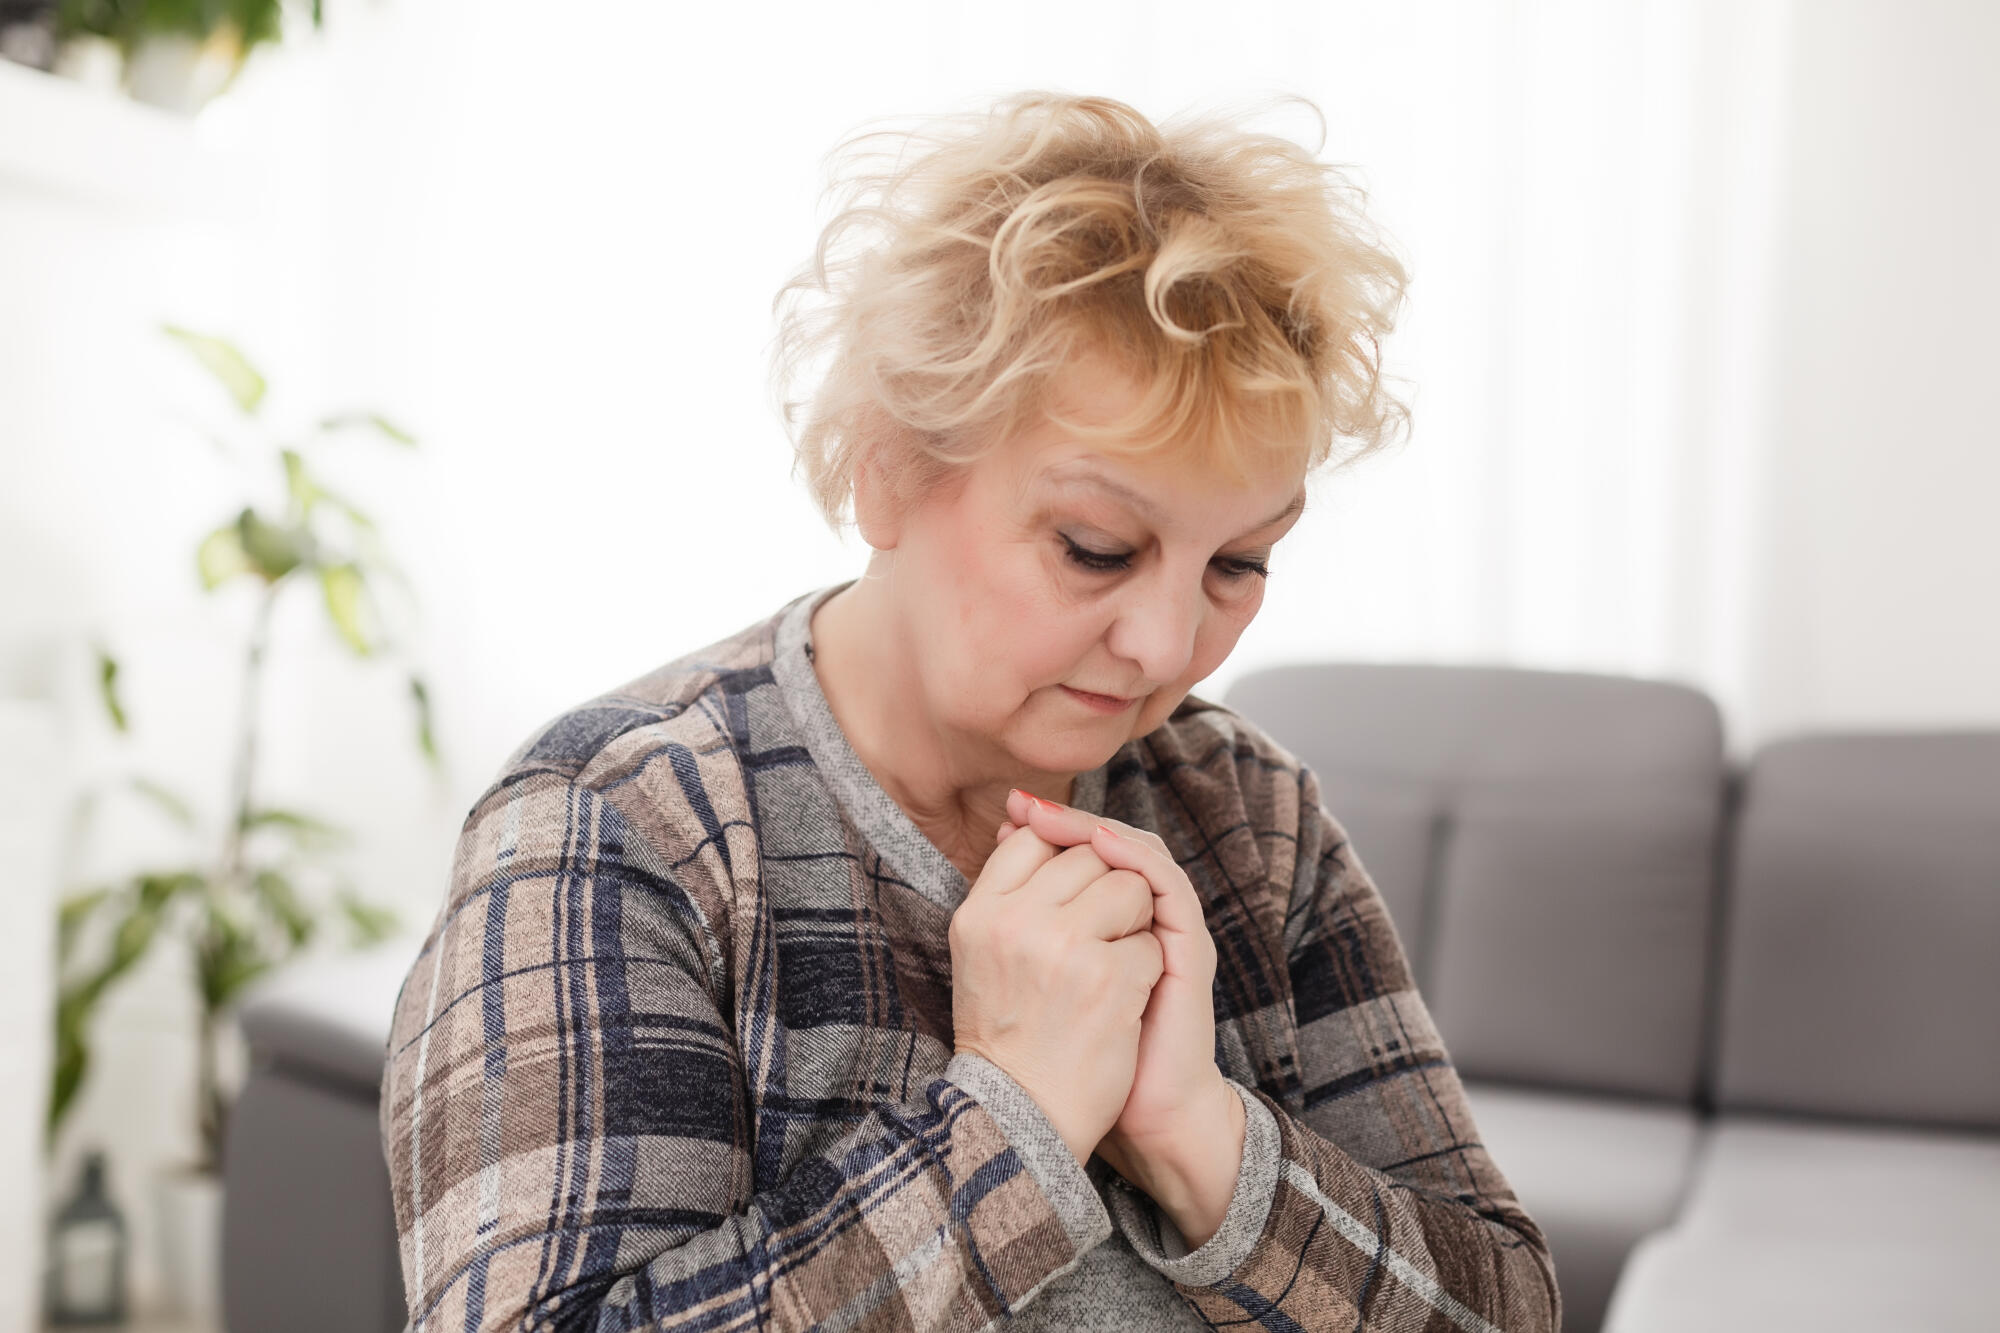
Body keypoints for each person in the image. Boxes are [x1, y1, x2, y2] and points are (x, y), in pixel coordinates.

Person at [379, 90, 1560, 1332]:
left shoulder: (1250, 814)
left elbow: (1507, 1309)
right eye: (1096, 547)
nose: (1167, 645)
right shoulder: (621, 829)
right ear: (887, 467)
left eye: (1236, 563)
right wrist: (1011, 1121)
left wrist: (1200, 1139)